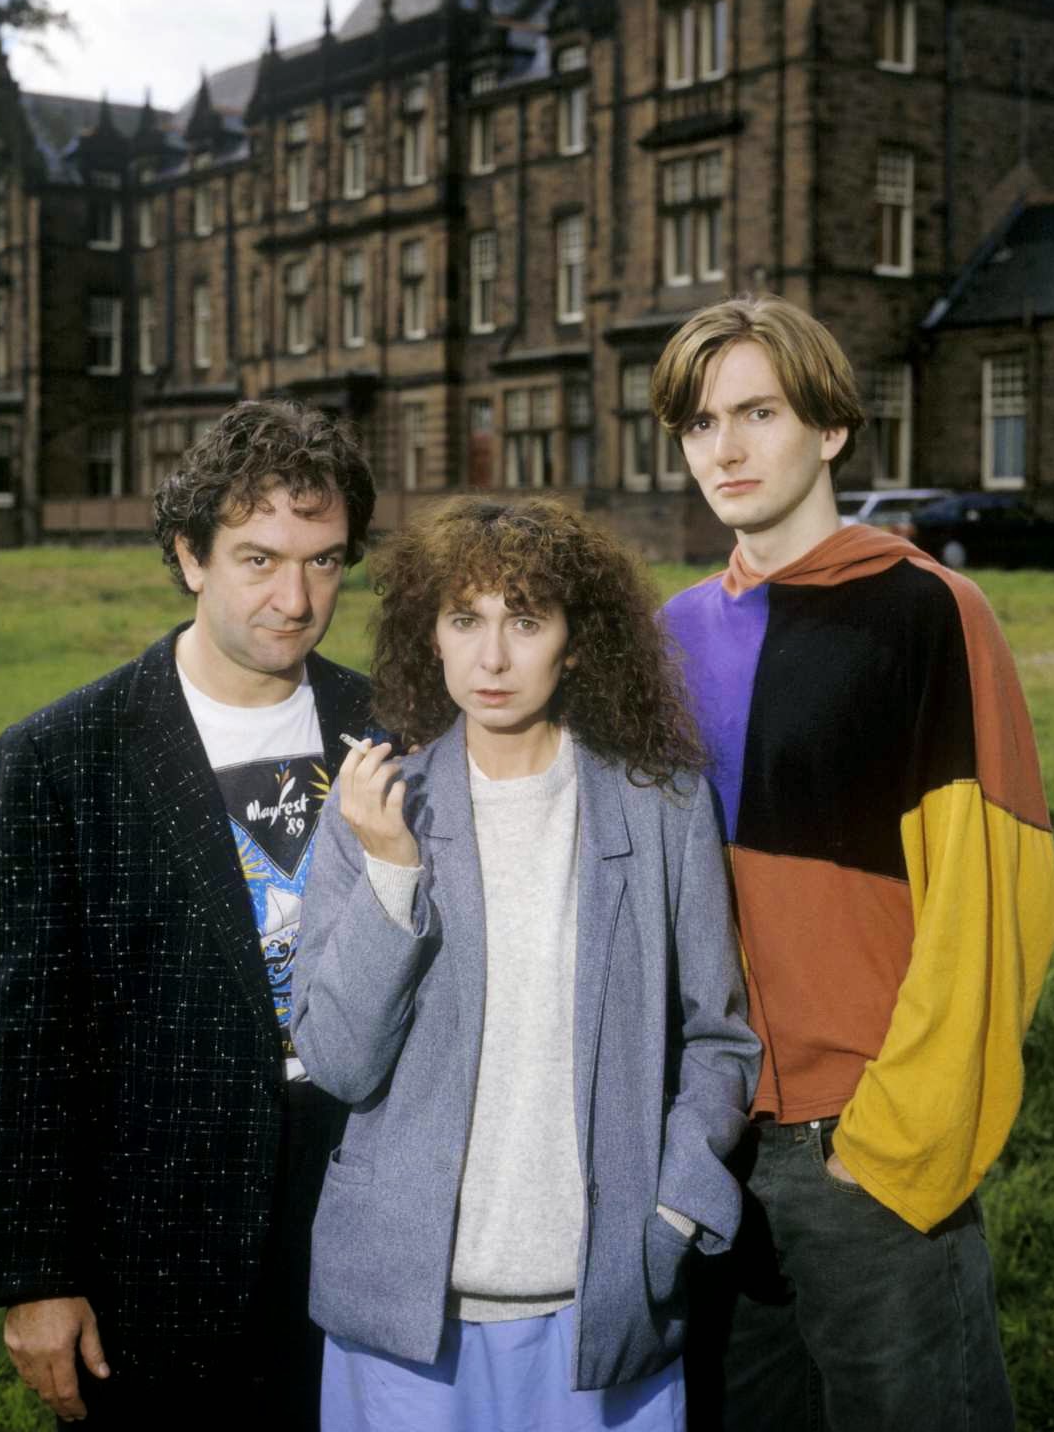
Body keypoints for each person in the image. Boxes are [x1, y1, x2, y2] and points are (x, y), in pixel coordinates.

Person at [650, 294, 1054, 1432]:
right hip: (713, 1155)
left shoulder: (930, 614)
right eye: (696, 425)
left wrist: (894, 1148)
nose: (723, 450)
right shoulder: (667, 635)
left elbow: (994, 909)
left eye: (756, 412)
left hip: (867, 1154)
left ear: (830, 425)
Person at [290, 495, 761, 1432]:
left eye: (526, 620)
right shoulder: (380, 806)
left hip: (603, 1312)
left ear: (575, 641)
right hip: (402, 1323)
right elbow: (338, 1063)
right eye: (465, 620)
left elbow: (720, 1037)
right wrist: (391, 872)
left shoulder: (664, 808)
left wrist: (673, 1216)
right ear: (432, 634)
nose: (492, 658)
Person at [0, 399, 376, 1429]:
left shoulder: (394, 728)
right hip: (153, 1245)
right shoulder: (65, 755)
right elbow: (26, 1038)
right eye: (259, 558)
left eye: (325, 561)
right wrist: (38, 1272)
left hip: (360, 1221)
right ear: (189, 554)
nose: (296, 597)